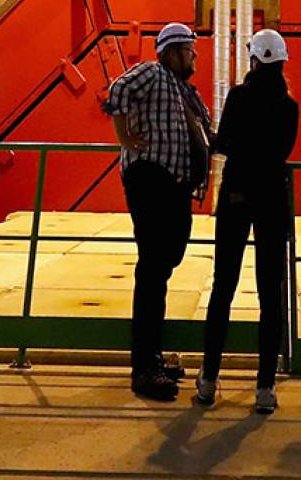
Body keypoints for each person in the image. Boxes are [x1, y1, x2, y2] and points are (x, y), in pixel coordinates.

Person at [103, 21, 213, 401]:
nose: (195, 56)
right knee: (152, 267)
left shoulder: (187, 92)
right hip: (151, 178)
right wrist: (123, 137)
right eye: (189, 50)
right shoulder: (151, 73)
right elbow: (117, 90)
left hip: (176, 187)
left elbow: (209, 131)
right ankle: (144, 369)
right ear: (172, 51)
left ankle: (151, 356)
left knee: (166, 261)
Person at [194, 28, 299, 415]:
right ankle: (265, 388)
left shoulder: (238, 97)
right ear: (282, 62)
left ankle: (207, 381)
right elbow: (285, 150)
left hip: (237, 197)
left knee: (224, 288)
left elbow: (225, 144)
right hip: (272, 200)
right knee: (271, 294)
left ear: (253, 60)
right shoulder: (291, 107)